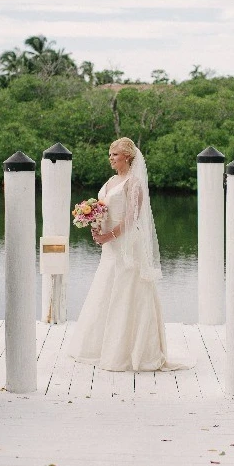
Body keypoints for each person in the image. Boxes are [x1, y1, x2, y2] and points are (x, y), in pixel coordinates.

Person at [70, 137, 193, 372]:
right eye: (110, 154)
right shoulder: (111, 180)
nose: (111, 158)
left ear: (127, 156)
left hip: (125, 244)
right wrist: (95, 224)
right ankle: (99, 347)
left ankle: (131, 351)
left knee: (128, 290)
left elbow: (132, 218)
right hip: (109, 246)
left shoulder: (134, 183)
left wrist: (110, 235)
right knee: (105, 288)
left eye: (114, 154)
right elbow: (103, 208)